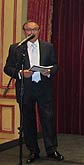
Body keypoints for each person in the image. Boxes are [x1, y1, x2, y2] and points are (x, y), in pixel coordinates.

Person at [4, 20, 64, 164]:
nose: (32, 32)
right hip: (26, 88)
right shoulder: (16, 48)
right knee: (28, 121)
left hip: (44, 88)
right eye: (28, 29)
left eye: (35, 29)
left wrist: (49, 71)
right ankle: (33, 151)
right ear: (24, 31)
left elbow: (56, 65)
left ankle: (51, 149)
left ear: (39, 30)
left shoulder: (48, 47)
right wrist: (20, 73)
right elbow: (7, 68)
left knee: (48, 120)